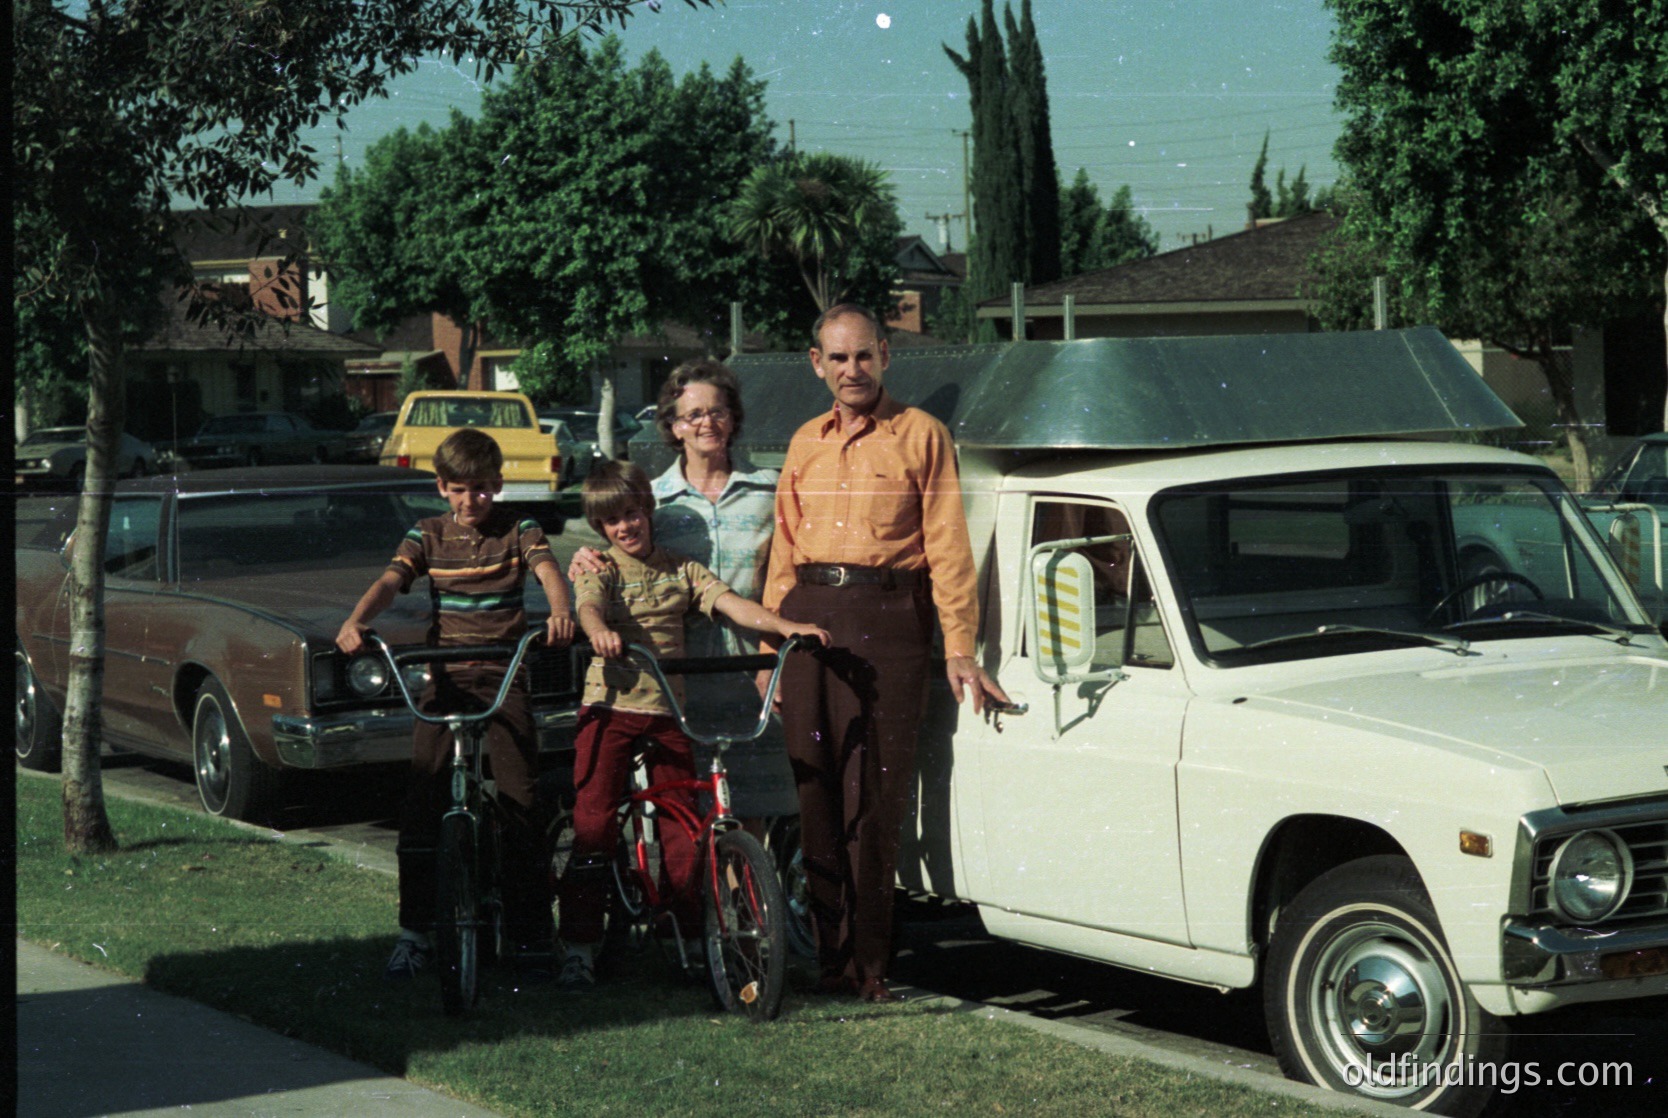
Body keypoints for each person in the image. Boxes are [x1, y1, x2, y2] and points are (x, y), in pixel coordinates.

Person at [763, 303, 1010, 1003]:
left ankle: (870, 967)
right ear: (817, 364)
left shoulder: (921, 436)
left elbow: (949, 548)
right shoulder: (804, 441)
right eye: (837, 358)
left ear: (886, 356)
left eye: (864, 355)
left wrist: (958, 644)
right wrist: (768, 651)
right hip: (808, 619)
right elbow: (783, 548)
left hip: (891, 621)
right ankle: (827, 963)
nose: (851, 370)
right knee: (814, 789)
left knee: (874, 796)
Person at [557, 460, 828, 991]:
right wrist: (598, 632)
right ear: (600, 529)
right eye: (612, 522)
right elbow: (588, 606)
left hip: (667, 712)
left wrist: (787, 628)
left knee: (684, 831)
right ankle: (579, 948)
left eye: (632, 514)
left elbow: (731, 605)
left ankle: (688, 937)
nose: (625, 528)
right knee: (593, 825)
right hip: (610, 708)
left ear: (648, 510)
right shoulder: (599, 567)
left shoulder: (681, 569)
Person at [336, 428, 575, 982]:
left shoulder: (521, 529)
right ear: (442, 487)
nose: (473, 501)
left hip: (505, 668)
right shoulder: (427, 534)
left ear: (498, 485)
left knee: (521, 798)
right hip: (445, 676)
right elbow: (390, 583)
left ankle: (532, 934)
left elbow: (547, 572)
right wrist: (356, 620)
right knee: (423, 795)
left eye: (484, 489)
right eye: (461, 490)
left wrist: (559, 612)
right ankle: (415, 934)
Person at [567, 360, 790, 823]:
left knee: (757, 814)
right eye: (693, 415)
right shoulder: (652, 501)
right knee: (688, 814)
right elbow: (620, 547)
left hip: (758, 675)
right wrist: (584, 557)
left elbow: (789, 578)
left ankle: (746, 898)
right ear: (672, 426)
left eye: (718, 411)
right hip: (678, 683)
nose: (707, 423)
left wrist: (775, 650)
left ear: (733, 417)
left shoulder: (771, 490)